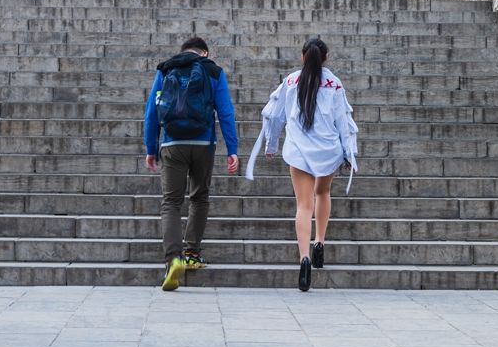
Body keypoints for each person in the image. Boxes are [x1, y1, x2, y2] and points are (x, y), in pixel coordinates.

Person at [246, 38, 358, 292]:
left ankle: (304, 257)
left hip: (298, 150)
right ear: (326, 57)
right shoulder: (335, 84)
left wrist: (271, 145)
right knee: (323, 193)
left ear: (302, 56)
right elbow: (344, 121)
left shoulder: (290, 81)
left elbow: (274, 115)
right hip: (328, 150)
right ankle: (320, 241)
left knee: (303, 205)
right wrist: (350, 154)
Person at [143, 36, 239, 291]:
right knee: (199, 197)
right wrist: (233, 149)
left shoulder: (166, 69)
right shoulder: (213, 71)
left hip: (172, 143)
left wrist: (150, 148)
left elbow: (152, 112)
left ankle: (173, 259)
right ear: (204, 53)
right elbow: (226, 111)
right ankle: (192, 254)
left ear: (183, 51)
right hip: (203, 144)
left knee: (171, 203)